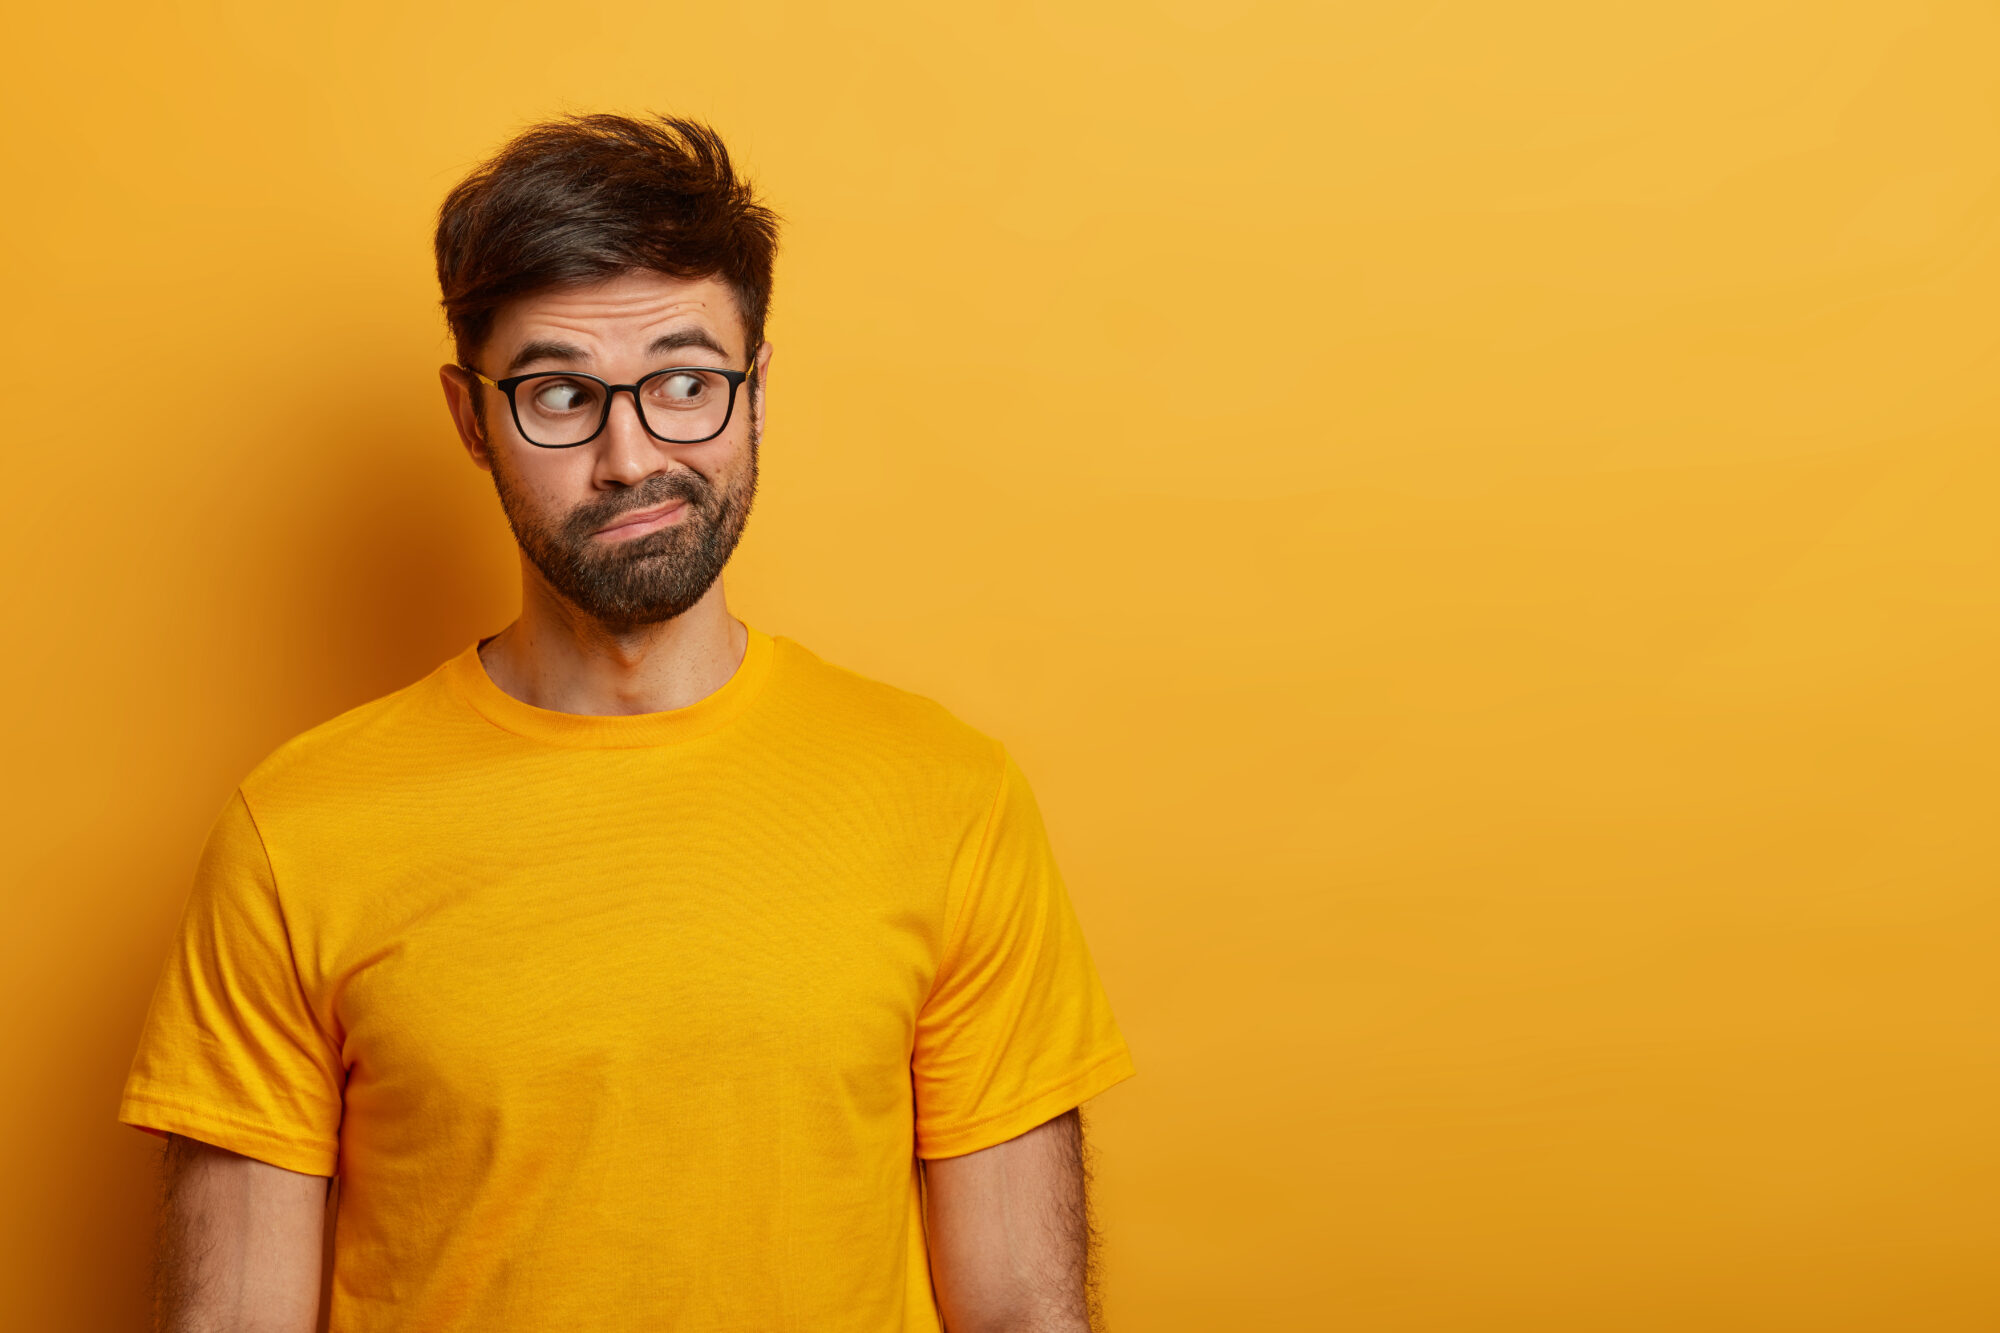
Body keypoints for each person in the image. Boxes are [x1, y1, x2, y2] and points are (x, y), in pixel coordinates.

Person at [117, 114, 1133, 1333]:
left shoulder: (947, 798)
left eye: (685, 383)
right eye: (559, 395)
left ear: (757, 389)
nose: (629, 454)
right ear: (467, 416)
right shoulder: (295, 830)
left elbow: (1023, 1312)